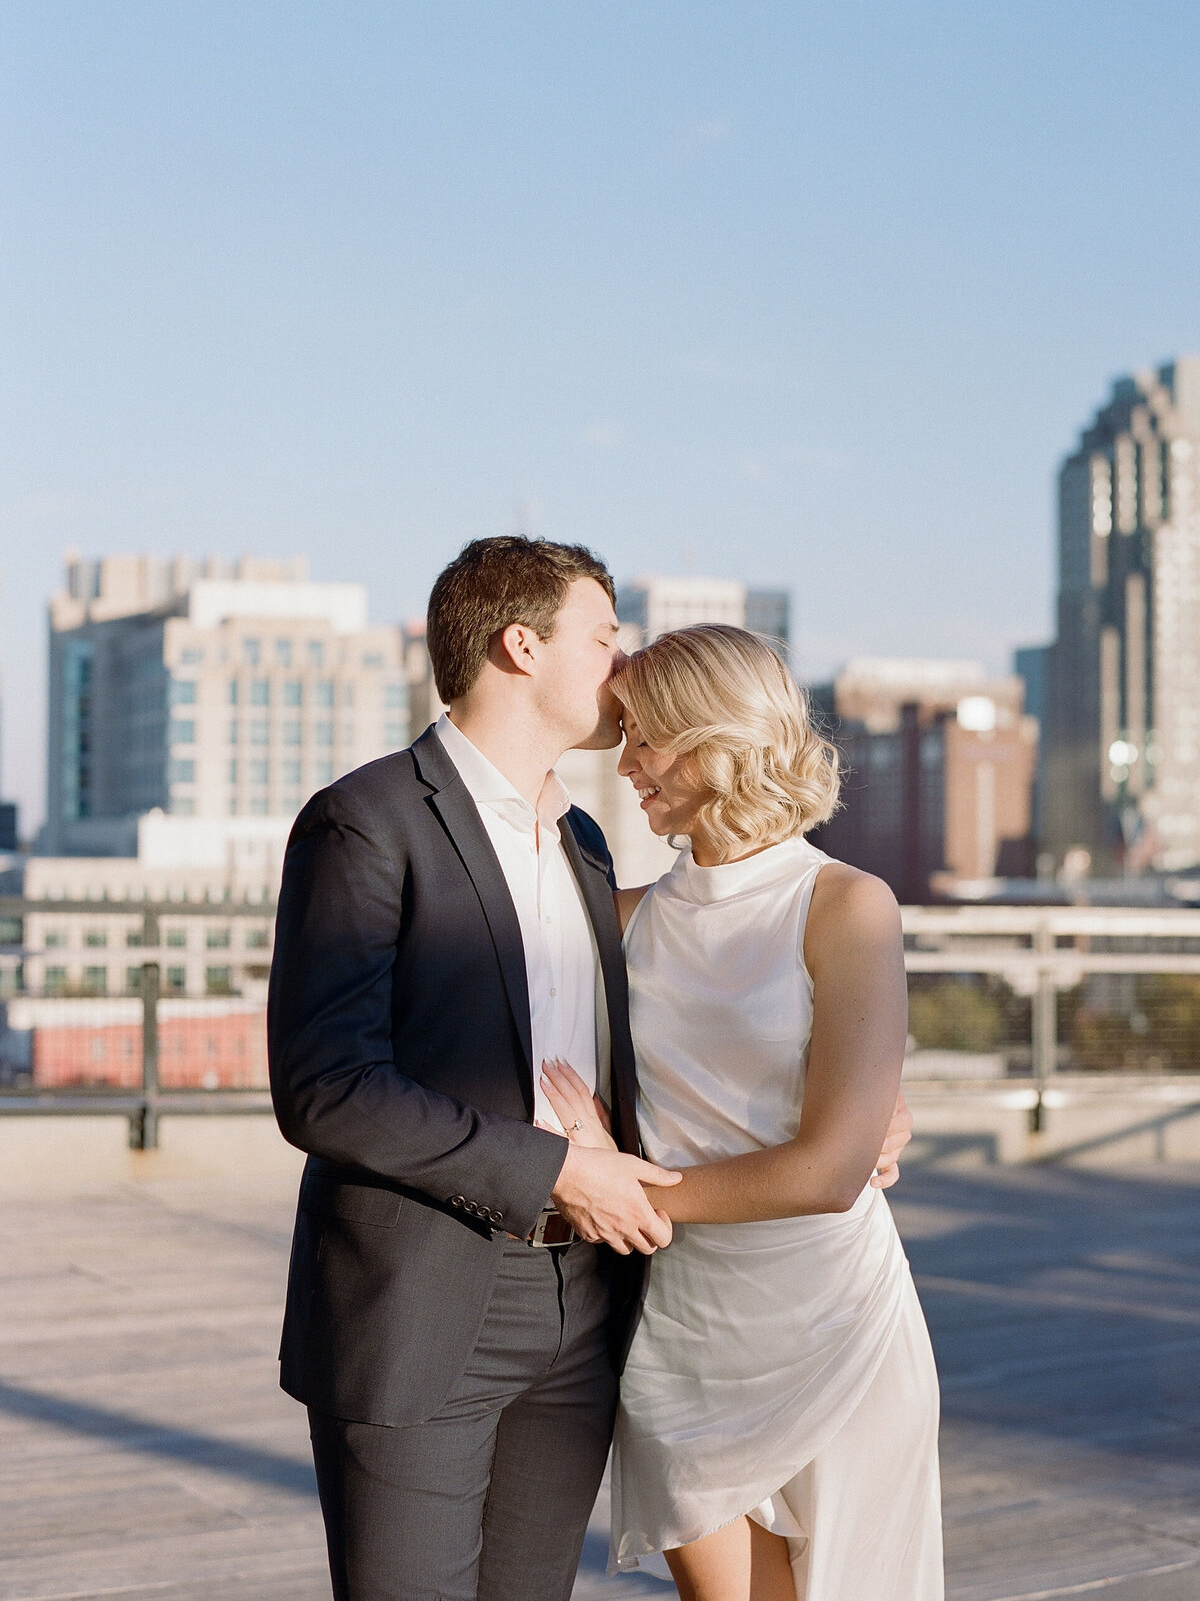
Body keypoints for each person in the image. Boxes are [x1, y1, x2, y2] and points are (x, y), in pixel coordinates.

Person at [268, 537, 913, 1601]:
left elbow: (717, 1007)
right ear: (522, 645)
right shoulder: (368, 818)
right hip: (423, 1307)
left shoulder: (586, 846)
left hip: (590, 1306)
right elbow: (325, 1088)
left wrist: (874, 1099)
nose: (624, 664)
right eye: (606, 635)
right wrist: (559, 1173)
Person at [539, 623, 943, 1601]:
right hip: (680, 1333)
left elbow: (831, 1171)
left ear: (721, 735)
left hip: (836, 1319)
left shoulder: (846, 906)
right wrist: (578, 1152)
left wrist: (624, 1187)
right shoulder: (620, 918)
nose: (627, 764)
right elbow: (550, 1079)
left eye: (648, 738)